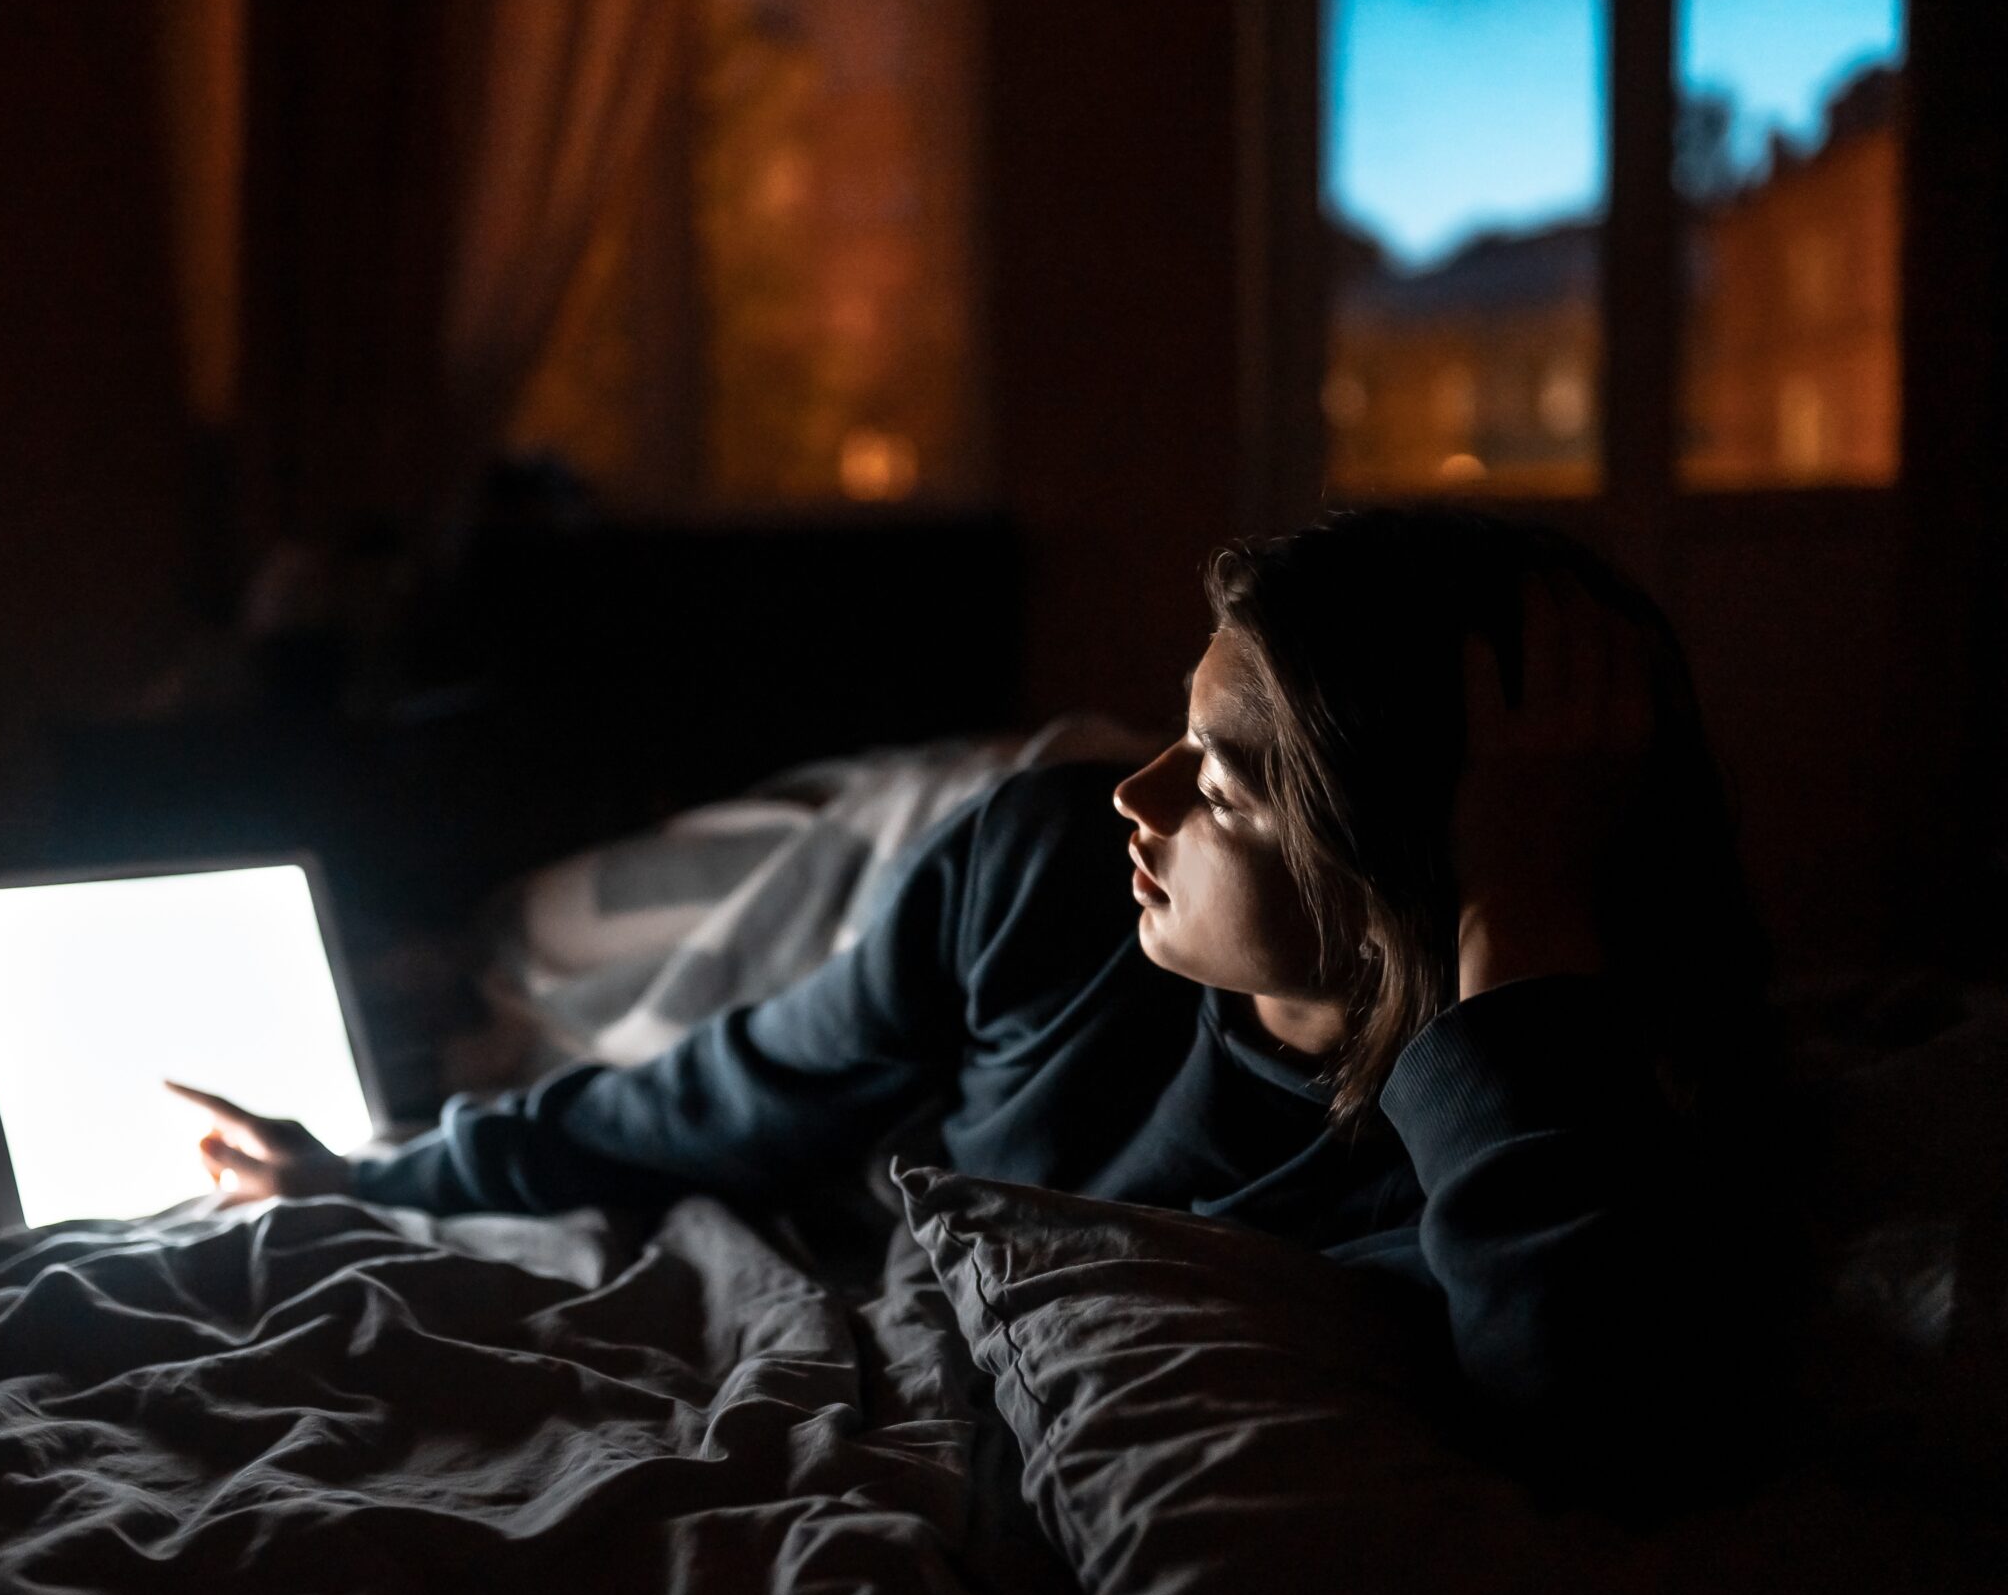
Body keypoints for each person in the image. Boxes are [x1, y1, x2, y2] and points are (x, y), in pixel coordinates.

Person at [170, 505, 1788, 1509]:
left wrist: (1511, 910)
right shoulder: (1047, 865)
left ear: (1408, 854)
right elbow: (732, 1085)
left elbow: (1597, 1424)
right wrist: (387, 1173)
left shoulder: (1539, 1112)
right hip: (845, 1099)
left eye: (1218, 785)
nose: (1137, 798)